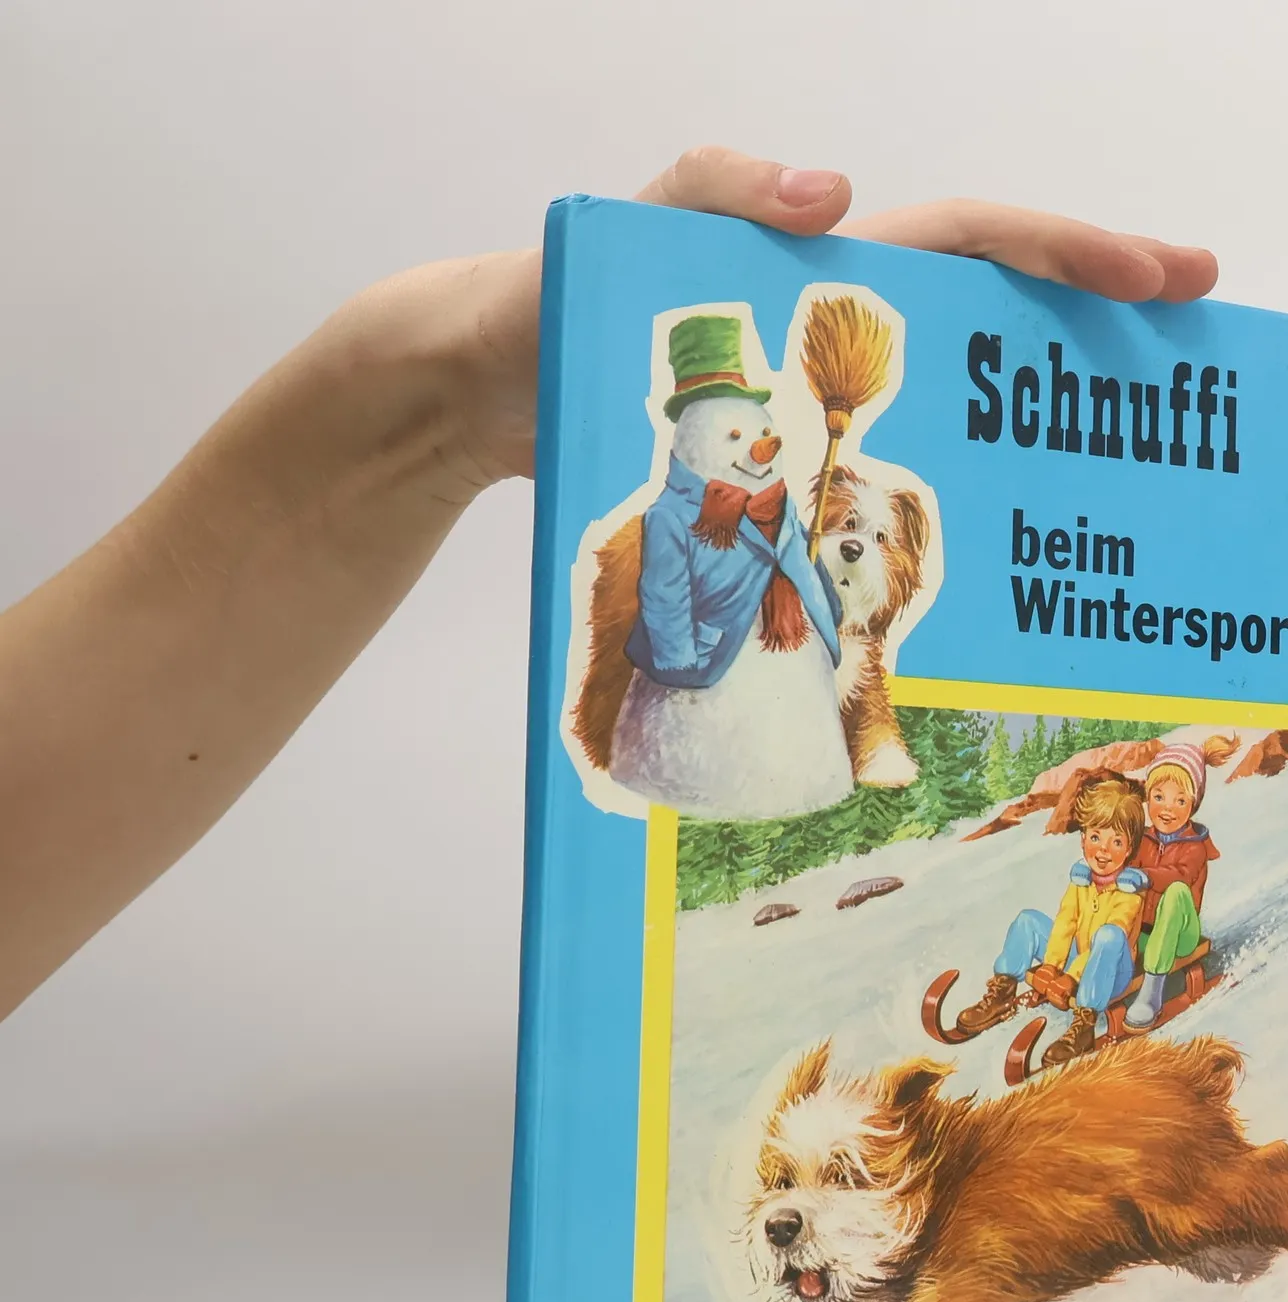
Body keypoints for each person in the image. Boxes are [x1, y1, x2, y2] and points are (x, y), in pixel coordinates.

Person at [0, 148, 1218, 1022]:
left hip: (790, 714)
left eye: (761, 427)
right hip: (698, 706)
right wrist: (698, 648)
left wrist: (448, 398)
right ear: (694, 435)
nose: (757, 444)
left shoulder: (770, 505)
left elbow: (808, 581)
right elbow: (673, 620)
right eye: (736, 429)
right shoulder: (681, 525)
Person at [956, 776, 1148, 1068]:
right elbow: (1065, 923)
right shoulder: (1081, 881)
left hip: (1111, 970)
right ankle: (1002, 993)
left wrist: (1071, 977)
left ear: (1130, 847)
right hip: (1078, 957)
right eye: (1095, 837)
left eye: (1116, 841)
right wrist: (1051, 966)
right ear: (1082, 837)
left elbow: (1110, 940)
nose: (1103, 850)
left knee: (1108, 935)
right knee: (1028, 921)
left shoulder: (1129, 893)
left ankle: (1084, 1023)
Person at [1124, 742, 1222, 1028]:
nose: (1167, 808)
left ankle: (1152, 991)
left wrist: (1146, 877)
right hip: (1143, 934)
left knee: (1176, 891)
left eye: (1179, 801)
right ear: (1147, 797)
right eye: (1159, 796)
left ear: (1193, 805)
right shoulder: (1141, 839)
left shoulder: (1195, 847)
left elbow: (1180, 874)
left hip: (1181, 936)